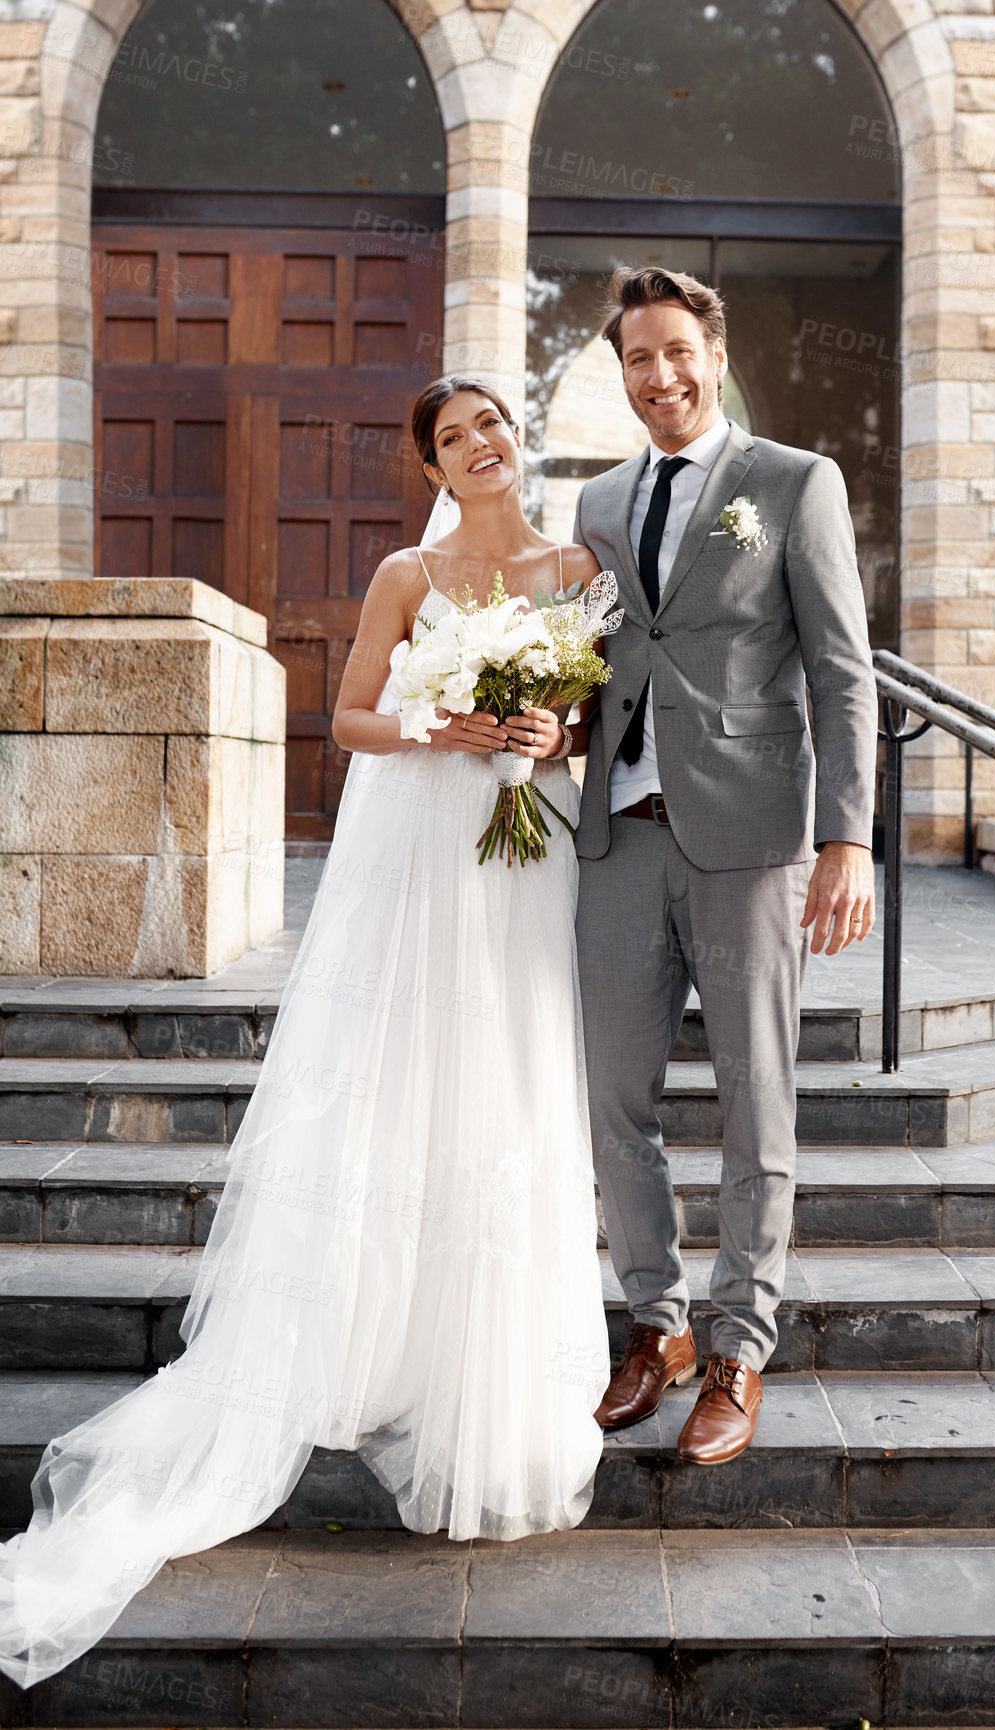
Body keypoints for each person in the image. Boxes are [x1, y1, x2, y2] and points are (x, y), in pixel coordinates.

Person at [0, 375, 610, 1691]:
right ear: (431, 466)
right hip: (423, 843)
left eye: (489, 423)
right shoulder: (408, 568)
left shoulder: (578, 565)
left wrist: (546, 734)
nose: (477, 445)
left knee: (507, 1082)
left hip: (524, 850)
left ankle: (480, 1368)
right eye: (449, 439)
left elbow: (589, 725)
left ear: (516, 433)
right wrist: (439, 725)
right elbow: (345, 719)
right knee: (398, 1083)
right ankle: (359, 1332)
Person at [573, 266, 878, 1466]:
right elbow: (590, 657)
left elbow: (843, 672)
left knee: (758, 1099)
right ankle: (655, 1321)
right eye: (636, 360)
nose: (658, 378)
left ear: (711, 349)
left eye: (674, 352)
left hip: (750, 838)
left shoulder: (794, 484)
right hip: (614, 836)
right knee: (609, 1099)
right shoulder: (595, 502)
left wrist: (844, 836)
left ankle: (739, 1341)